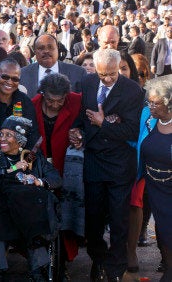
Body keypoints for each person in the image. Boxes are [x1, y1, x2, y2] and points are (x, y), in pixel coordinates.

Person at [69, 49, 143, 282]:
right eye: (103, 74)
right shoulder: (88, 82)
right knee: (93, 218)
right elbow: (82, 116)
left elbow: (132, 130)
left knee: (119, 219)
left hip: (120, 163)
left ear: (119, 67)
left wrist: (103, 124)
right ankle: (99, 260)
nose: (107, 79)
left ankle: (116, 268)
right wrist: (77, 131)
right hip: (93, 160)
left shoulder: (132, 90)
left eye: (112, 74)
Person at [0, 116, 62, 281]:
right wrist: (9, 170)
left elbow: (55, 178)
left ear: (20, 141)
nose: (1, 139)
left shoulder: (33, 158)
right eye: (1, 134)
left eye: (8, 135)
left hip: (28, 215)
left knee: (36, 210)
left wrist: (38, 181)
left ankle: (38, 270)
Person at [31, 73, 83, 274]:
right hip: (40, 167)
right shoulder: (33, 104)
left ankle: (62, 259)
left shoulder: (76, 101)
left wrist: (81, 135)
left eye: (60, 100)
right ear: (43, 94)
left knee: (66, 210)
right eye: (50, 100)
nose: (55, 105)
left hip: (67, 166)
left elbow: (86, 126)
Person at [139, 76, 172, 282]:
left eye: (156, 103)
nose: (150, 106)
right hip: (153, 186)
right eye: (149, 101)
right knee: (162, 231)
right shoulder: (148, 119)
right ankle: (168, 268)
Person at [19, 34, 86, 98]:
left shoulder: (78, 73)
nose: (46, 51)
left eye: (50, 47)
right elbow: (17, 103)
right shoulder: (22, 74)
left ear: (57, 49)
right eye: (41, 48)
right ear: (35, 52)